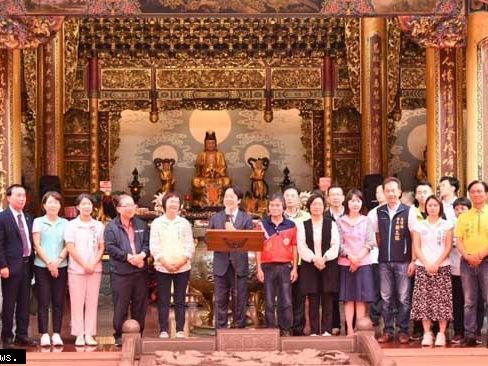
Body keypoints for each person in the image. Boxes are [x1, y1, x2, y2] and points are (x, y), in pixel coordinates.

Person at [370, 177, 416, 344]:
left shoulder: (408, 211)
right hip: (384, 261)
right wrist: (385, 252)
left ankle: (403, 330)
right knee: (386, 297)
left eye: (393, 190)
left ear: (399, 192)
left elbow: (414, 237)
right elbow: (377, 236)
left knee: (403, 297)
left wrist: (413, 260)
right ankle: (388, 330)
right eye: (387, 190)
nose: (390, 193)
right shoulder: (378, 212)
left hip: (403, 261)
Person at [104, 194, 150, 346]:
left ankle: (138, 334)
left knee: (140, 305)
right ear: (118, 209)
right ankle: (119, 336)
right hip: (121, 272)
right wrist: (129, 257)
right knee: (121, 305)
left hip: (140, 272)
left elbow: (147, 244)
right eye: (127, 206)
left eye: (133, 205)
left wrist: (142, 255)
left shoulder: (141, 224)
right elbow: (111, 248)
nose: (131, 208)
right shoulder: (111, 227)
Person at [150, 192, 194, 338]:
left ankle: (180, 329)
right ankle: (163, 329)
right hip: (163, 267)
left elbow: (190, 246)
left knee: (180, 299)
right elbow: (154, 247)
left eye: (176, 201)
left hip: (182, 267)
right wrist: (166, 264)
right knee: (163, 299)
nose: (173, 204)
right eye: (170, 202)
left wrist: (181, 261)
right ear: (164, 205)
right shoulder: (157, 223)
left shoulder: (184, 223)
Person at [410, 195, 453, 347]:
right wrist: (426, 263)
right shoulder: (419, 225)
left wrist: (437, 263)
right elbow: (416, 247)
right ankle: (427, 333)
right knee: (424, 301)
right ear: (425, 208)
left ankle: (441, 333)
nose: (432, 208)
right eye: (430, 205)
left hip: (442, 266)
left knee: (442, 301)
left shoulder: (447, 225)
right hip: (423, 267)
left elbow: (448, 247)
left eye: (435, 205)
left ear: (440, 207)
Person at [209, 186, 254, 329]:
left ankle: (239, 327)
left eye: (232, 196)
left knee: (240, 299)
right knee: (220, 299)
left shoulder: (246, 218)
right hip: (221, 265)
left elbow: (250, 239)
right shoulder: (215, 218)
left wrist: (234, 232)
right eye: (226, 196)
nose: (228, 199)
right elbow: (208, 238)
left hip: (239, 265)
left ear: (239, 200)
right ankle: (220, 330)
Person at [65, 193, 105, 346]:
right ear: (77, 207)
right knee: (77, 302)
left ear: (92, 207)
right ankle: (79, 333)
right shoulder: (71, 225)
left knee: (92, 301)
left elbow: (102, 247)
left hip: (95, 269)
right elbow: (70, 247)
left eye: (89, 204)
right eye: (83, 204)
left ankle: (89, 333)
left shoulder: (99, 225)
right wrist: (84, 264)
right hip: (76, 269)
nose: (86, 207)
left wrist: (93, 263)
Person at [297, 193, 340, 336]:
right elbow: (301, 246)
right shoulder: (303, 225)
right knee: (313, 297)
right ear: (309, 207)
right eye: (314, 204)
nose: (316, 207)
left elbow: (335, 244)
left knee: (328, 297)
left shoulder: (331, 224)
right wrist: (314, 259)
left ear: (324, 207)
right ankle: (314, 330)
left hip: (328, 264)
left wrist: (324, 258)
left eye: (319, 204)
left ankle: (327, 329)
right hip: (310, 265)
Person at [0, 184, 37, 348]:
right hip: (10, 267)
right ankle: (7, 335)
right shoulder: (2, 218)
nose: (22, 198)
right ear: (8, 198)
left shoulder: (28, 217)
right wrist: (2, 266)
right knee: (9, 302)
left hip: (27, 265)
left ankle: (22, 335)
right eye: (18, 195)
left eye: (23, 195)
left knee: (24, 302)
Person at [256, 193, 298, 336]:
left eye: (278, 205)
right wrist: (259, 269)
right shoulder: (262, 225)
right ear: (268, 207)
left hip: (286, 266)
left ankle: (286, 329)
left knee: (286, 301)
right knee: (268, 301)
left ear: (283, 207)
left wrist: (295, 269)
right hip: (267, 267)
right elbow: (257, 248)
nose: (275, 208)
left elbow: (294, 247)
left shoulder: (291, 225)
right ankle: (271, 329)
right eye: (272, 205)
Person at [337, 189, 376, 336]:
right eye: (352, 200)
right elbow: (339, 243)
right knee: (348, 299)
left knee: (361, 299)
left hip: (363, 263)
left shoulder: (367, 220)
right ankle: (349, 330)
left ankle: (360, 329)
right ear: (347, 203)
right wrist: (350, 257)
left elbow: (370, 242)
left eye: (358, 201)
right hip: (345, 263)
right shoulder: (340, 221)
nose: (355, 204)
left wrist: (358, 258)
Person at [32, 191, 69, 347]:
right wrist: (49, 263)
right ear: (44, 204)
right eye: (50, 202)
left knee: (58, 301)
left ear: (60, 205)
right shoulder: (38, 221)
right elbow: (37, 244)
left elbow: (68, 245)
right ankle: (44, 333)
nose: (53, 205)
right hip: (42, 266)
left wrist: (58, 260)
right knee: (43, 300)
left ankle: (57, 333)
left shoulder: (66, 223)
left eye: (56, 202)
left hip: (61, 266)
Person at [454, 180, 488, 347]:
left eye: (479, 191)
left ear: (486, 194)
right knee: (469, 301)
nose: (476, 194)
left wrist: (480, 255)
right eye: (473, 191)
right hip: (467, 262)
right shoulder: (464, 216)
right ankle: (469, 335)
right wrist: (468, 256)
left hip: (486, 261)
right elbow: (458, 240)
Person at [283, 186, 310, 336]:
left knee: (300, 296)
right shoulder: (279, 216)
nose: (290, 198)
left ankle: (298, 328)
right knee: (285, 296)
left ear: (298, 199)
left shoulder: (306, 216)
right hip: (283, 261)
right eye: (287, 196)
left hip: (302, 261)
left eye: (293, 195)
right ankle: (285, 327)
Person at [449, 197, 471, 344]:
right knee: (457, 302)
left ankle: (472, 332)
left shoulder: (472, 224)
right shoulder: (450, 226)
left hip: (472, 267)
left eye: (463, 208)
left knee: (471, 301)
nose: (460, 211)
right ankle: (458, 332)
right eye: (457, 209)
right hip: (454, 269)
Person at [324, 185, 344, 335]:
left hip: (349, 259)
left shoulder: (351, 213)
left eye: (338, 194)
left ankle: (353, 325)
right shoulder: (323, 216)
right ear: (328, 198)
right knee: (332, 292)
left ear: (343, 197)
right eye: (333, 195)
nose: (336, 197)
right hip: (329, 259)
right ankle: (334, 324)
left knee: (351, 293)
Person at [192, 131, 231, 206]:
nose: (210, 145)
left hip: (217, 178)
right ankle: (202, 201)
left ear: (215, 144)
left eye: (212, 143)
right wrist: (202, 167)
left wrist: (216, 170)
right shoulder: (201, 154)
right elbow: (198, 170)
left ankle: (219, 201)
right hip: (205, 178)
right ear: (205, 144)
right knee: (195, 181)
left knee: (227, 181)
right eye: (208, 143)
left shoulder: (219, 154)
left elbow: (223, 168)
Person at [366, 184, 386, 326]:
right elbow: (369, 234)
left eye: (381, 192)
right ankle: (374, 315)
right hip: (374, 254)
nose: (379, 194)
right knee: (375, 286)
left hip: (391, 255)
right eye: (377, 192)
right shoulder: (372, 213)